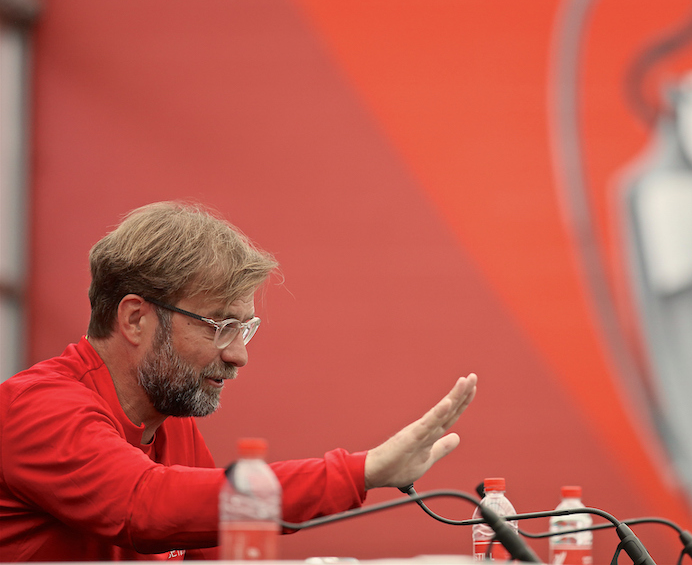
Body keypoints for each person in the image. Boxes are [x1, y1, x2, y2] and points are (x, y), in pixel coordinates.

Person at [0, 201, 478, 561]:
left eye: (244, 329)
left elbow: (218, 541)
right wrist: (362, 471)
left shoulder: (169, 419)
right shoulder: (35, 408)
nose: (238, 355)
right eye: (219, 326)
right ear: (134, 318)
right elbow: (145, 508)